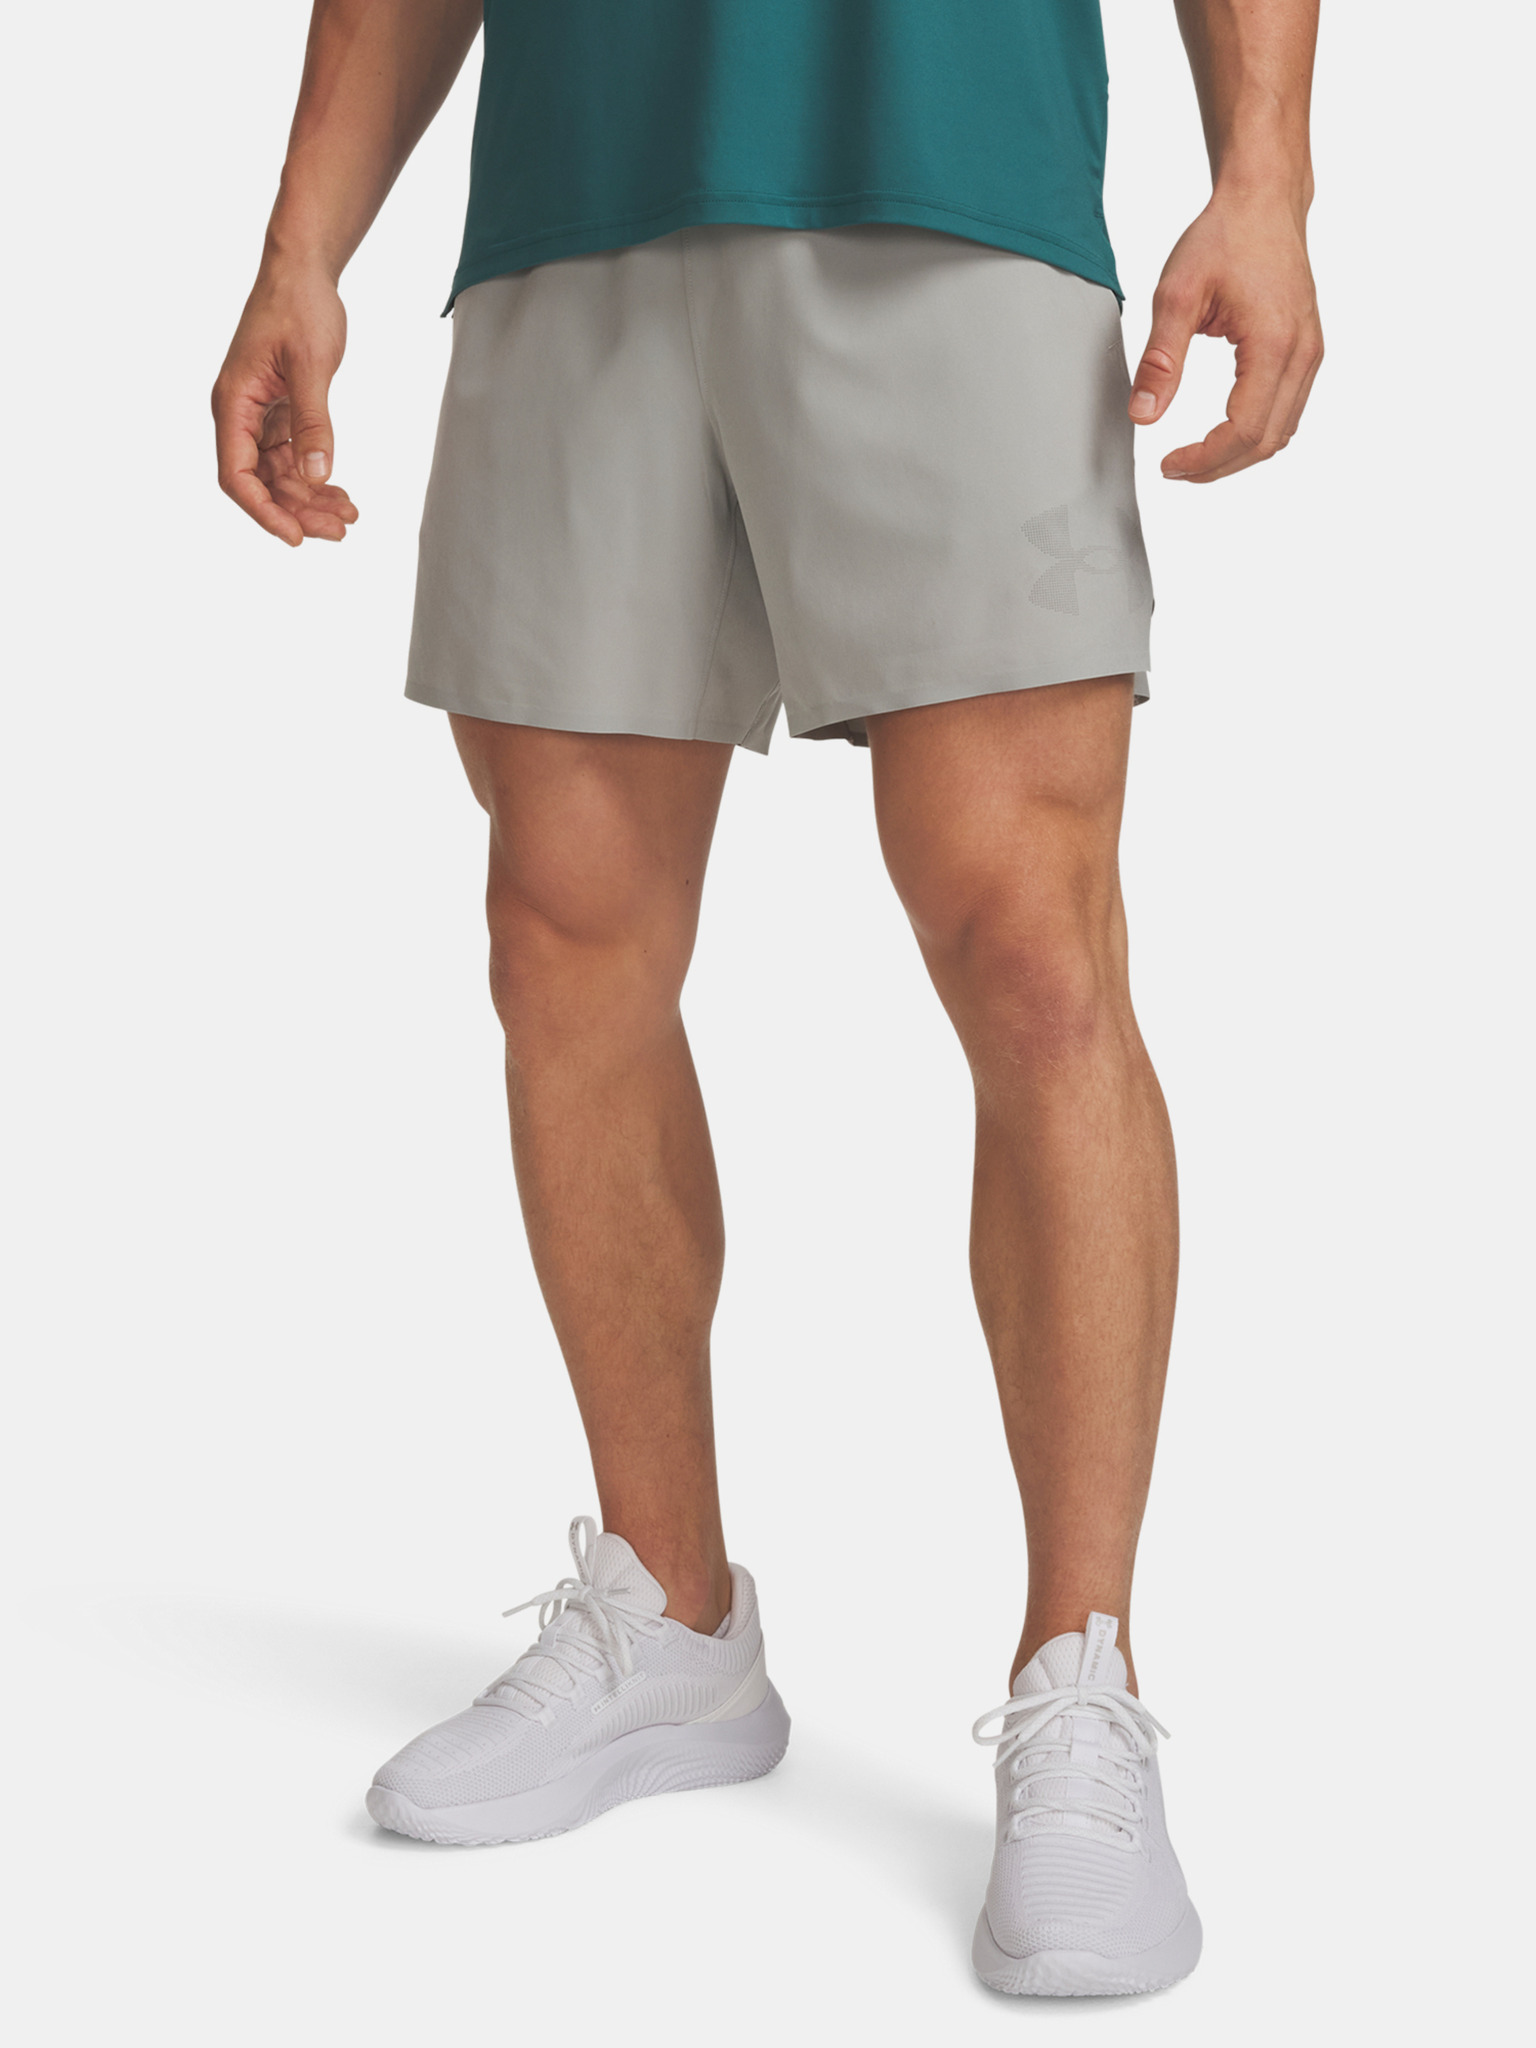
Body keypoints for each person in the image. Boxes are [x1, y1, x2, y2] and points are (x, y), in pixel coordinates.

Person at [214, 0, 1320, 1997]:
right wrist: (306, 241)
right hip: (579, 199)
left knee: (1030, 941)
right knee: (561, 927)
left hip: (951, 173)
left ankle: (1082, 1680)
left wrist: (1266, 168)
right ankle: (673, 1615)